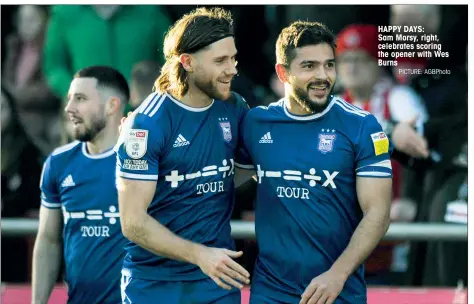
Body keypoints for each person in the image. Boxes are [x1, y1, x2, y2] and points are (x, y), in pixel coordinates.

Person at [238, 21, 393, 304]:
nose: (323, 75)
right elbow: (218, 185)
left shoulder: (362, 126)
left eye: (329, 65)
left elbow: (378, 214)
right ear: (282, 72)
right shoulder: (256, 123)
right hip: (270, 293)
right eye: (309, 66)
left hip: (338, 292)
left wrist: (337, 274)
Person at [115, 7, 251, 304]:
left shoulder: (235, 107)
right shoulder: (148, 123)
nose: (232, 69)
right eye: (220, 61)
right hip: (153, 283)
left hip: (217, 280)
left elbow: (236, 175)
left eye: (233, 58)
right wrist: (200, 254)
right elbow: (133, 222)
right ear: (187, 62)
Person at [31, 66, 130, 304]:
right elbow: (48, 240)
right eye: (69, 99)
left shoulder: (144, 161)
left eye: (80, 99)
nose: (69, 108)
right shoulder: (59, 163)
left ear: (111, 106)